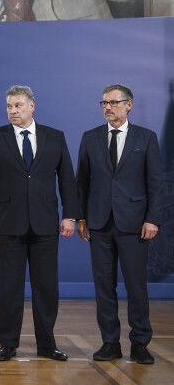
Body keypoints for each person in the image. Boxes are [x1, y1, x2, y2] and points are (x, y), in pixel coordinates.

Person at [0, 85, 78, 361]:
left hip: (46, 224)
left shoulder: (55, 137)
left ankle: (47, 344)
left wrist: (70, 215)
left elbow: (67, 180)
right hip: (9, 224)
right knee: (9, 288)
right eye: (9, 106)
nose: (13, 111)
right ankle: (8, 344)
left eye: (18, 105)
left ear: (32, 106)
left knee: (46, 288)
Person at [77, 84, 163, 364]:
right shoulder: (90, 138)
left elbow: (155, 183)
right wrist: (81, 217)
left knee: (137, 287)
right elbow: (82, 182)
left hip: (134, 224)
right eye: (104, 103)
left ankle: (139, 343)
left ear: (129, 105)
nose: (108, 108)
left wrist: (153, 218)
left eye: (114, 102)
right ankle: (109, 343)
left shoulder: (147, 138)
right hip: (99, 224)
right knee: (104, 287)